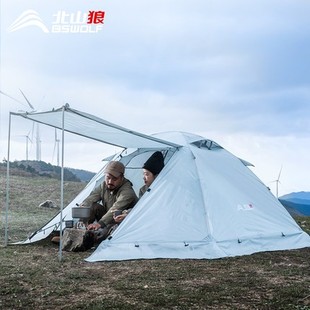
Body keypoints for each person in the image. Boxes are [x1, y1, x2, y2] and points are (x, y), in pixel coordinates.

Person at [113, 151, 164, 224]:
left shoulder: (164, 190)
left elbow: (152, 212)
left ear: (156, 175)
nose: (143, 178)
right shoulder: (143, 190)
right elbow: (139, 208)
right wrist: (126, 214)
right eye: (143, 174)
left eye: (146, 174)